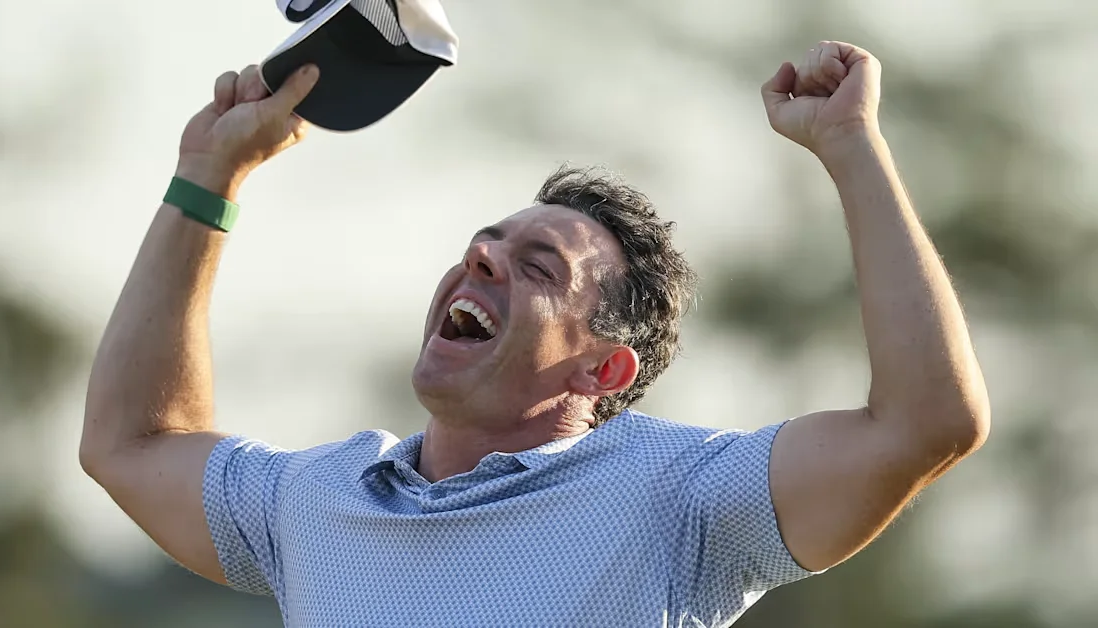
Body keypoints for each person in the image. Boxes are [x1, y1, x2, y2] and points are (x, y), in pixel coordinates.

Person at [80, 41, 990, 627]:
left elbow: (928, 422)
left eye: (540, 268)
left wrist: (852, 146)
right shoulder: (315, 501)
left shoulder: (684, 503)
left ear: (604, 369)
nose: (480, 258)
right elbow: (131, 443)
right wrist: (208, 177)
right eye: (484, 245)